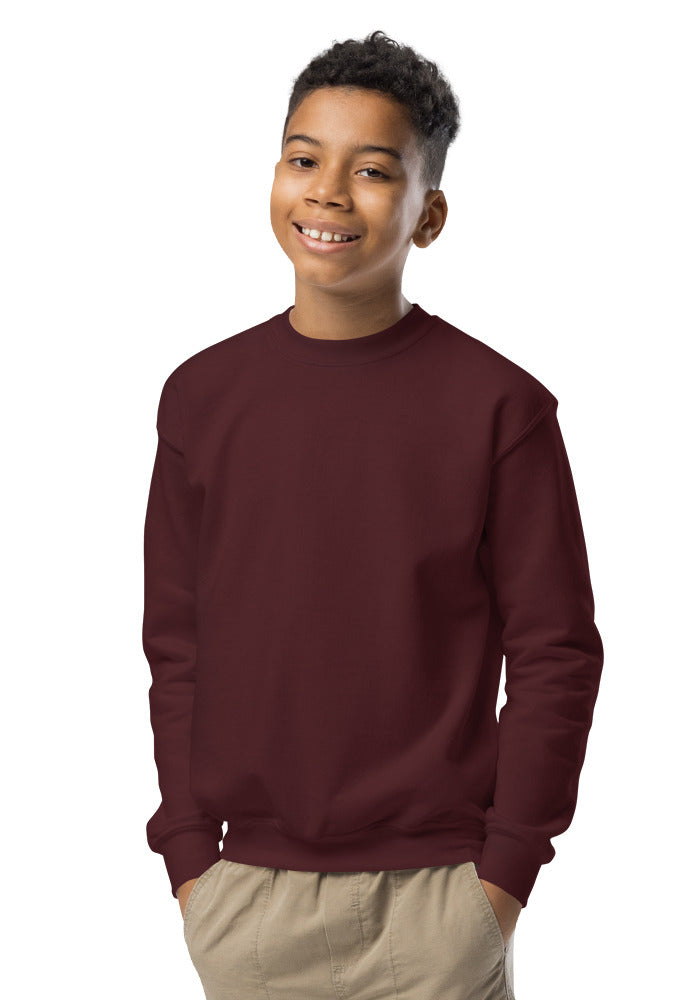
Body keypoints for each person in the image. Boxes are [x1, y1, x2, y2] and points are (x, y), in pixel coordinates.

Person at [142, 29, 604, 1000]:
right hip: (247, 899)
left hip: (436, 900)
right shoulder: (201, 397)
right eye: (303, 159)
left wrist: (502, 877)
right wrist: (188, 856)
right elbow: (178, 643)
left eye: (372, 171)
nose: (327, 193)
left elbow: (556, 651)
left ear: (428, 215)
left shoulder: (500, 408)